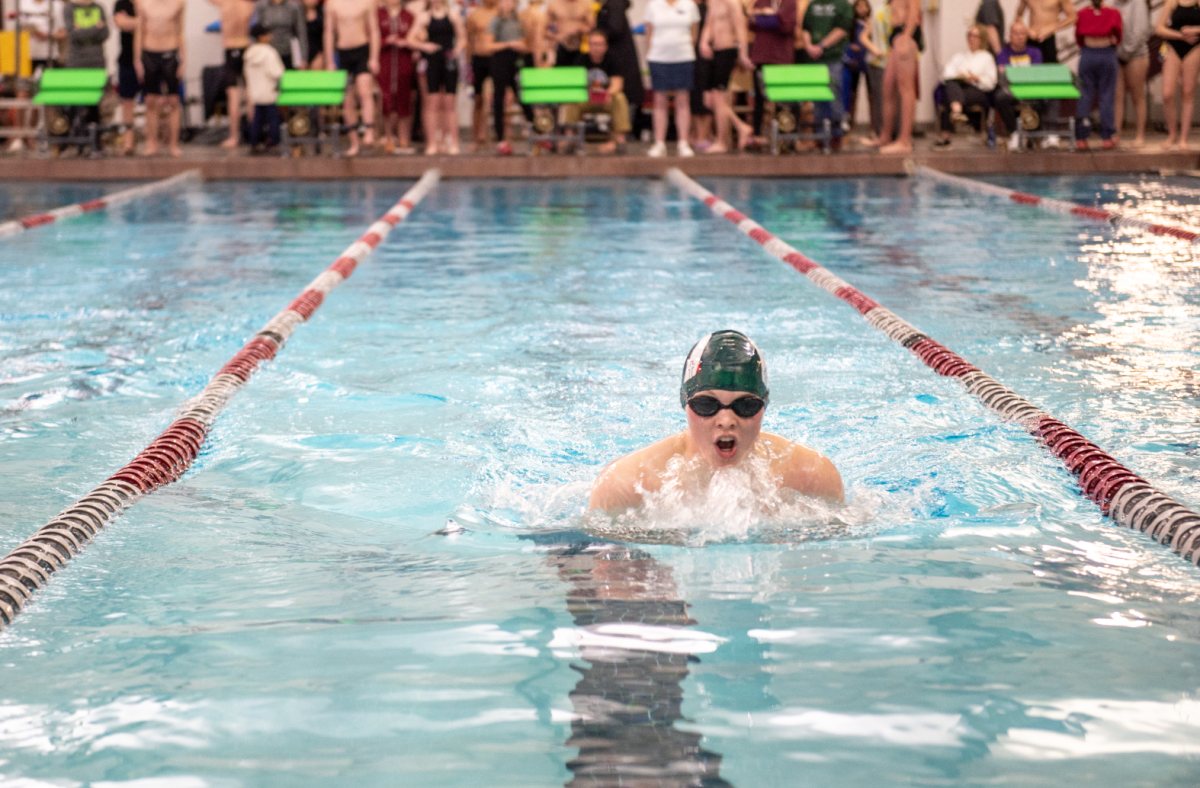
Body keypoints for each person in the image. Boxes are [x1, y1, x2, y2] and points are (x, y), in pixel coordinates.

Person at [589, 331, 844, 513]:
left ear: (764, 405)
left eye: (745, 406)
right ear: (685, 403)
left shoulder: (813, 477)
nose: (726, 421)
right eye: (707, 405)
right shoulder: (626, 485)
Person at [645, 0, 701, 157]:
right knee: (659, 102)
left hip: (683, 58)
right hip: (658, 59)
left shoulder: (690, 5)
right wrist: (653, 53)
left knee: (682, 101)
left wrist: (683, 49)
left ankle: (683, 143)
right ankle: (659, 143)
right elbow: (649, 32)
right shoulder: (653, 5)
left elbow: (694, 33)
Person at [9, 0, 65, 152]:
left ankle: (33, 136)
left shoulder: (56, 6)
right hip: (26, 55)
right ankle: (19, 137)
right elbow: (15, 27)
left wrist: (47, 36)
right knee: (21, 95)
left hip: (48, 55)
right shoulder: (22, 4)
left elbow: (64, 32)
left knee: (40, 97)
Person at [325, 0, 379, 156]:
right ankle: (354, 142)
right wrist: (329, 61)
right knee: (347, 100)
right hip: (343, 52)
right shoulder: (332, 4)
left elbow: (374, 30)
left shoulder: (367, 3)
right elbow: (329, 32)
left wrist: (374, 57)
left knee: (364, 91)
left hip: (362, 49)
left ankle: (369, 131)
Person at [411, 0, 465, 154]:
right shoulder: (424, 17)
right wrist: (424, 46)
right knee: (432, 103)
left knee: (449, 103)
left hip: (448, 60)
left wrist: (457, 49)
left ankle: (453, 142)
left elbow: (463, 37)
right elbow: (411, 38)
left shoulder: (452, 14)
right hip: (433, 61)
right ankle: (432, 142)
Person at [563, 29, 630, 152]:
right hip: (586, 99)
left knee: (620, 98)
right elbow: (576, 86)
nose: (596, 48)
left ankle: (618, 140)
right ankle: (571, 139)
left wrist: (607, 93)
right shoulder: (580, 60)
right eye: (593, 44)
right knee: (572, 101)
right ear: (588, 46)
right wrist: (587, 94)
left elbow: (617, 84)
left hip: (605, 98)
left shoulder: (613, 59)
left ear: (605, 46)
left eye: (599, 44)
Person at [863, 0, 918, 153]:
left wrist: (907, 36)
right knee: (887, 86)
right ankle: (885, 136)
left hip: (906, 32)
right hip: (895, 32)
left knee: (905, 87)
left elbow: (914, 9)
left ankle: (905, 141)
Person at [698, 0, 752, 152]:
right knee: (710, 100)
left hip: (727, 51)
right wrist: (703, 41)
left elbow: (741, 27)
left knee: (719, 98)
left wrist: (743, 54)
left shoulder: (732, 2)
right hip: (713, 52)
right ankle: (741, 126)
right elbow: (709, 23)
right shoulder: (713, 2)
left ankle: (722, 141)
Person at [135, 0, 186, 157]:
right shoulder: (142, 2)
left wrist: (184, 60)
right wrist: (137, 59)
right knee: (150, 101)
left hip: (170, 53)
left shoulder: (178, 3)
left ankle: (173, 144)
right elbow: (139, 31)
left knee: (173, 101)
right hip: (150, 53)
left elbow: (180, 31)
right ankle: (152, 144)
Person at [801, 0, 855, 148]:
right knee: (817, 99)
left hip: (833, 58)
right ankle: (819, 136)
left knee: (834, 96)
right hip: (813, 57)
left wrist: (821, 46)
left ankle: (836, 135)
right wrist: (808, 46)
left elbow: (842, 29)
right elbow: (805, 28)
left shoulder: (843, 5)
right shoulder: (812, 5)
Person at [934, 23, 996, 148]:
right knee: (950, 85)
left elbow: (991, 82)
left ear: (982, 39)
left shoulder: (987, 58)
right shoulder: (959, 57)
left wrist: (975, 78)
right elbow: (945, 75)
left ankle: (946, 136)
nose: (971, 38)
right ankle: (956, 111)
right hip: (958, 87)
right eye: (970, 35)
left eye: (975, 36)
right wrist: (959, 76)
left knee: (950, 94)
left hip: (977, 90)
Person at [1074, 0, 1122, 149]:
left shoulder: (1082, 13)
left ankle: (1081, 138)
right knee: (1106, 95)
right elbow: (1118, 35)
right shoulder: (1113, 13)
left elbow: (1078, 36)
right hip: (1106, 52)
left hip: (1088, 53)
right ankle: (1107, 137)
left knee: (1085, 95)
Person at [207, 0, 255, 148]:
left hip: (230, 48)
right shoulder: (249, 5)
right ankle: (253, 135)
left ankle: (234, 137)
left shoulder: (224, 3)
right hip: (246, 47)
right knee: (250, 95)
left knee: (233, 96)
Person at [747, 0, 797, 140]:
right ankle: (757, 135)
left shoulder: (789, 3)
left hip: (781, 57)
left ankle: (782, 135)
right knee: (759, 98)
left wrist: (769, 16)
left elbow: (787, 26)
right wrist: (770, 17)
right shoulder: (760, 2)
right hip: (761, 55)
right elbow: (751, 23)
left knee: (783, 100)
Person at [1155, 0, 1200, 149]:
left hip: (1194, 47)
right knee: (1167, 93)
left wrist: (1194, 29)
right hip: (1174, 45)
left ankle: (1183, 138)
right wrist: (1180, 35)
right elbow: (1159, 29)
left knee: (1187, 91)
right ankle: (1172, 134)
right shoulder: (1172, 2)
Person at [482, 0, 526, 154]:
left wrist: (520, 45)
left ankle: (537, 130)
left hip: (515, 61)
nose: (507, 4)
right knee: (499, 100)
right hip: (499, 61)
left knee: (523, 96)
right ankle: (500, 140)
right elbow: (487, 46)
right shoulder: (496, 21)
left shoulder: (517, 20)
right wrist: (509, 44)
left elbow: (522, 41)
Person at [595, 0, 645, 129]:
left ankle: (625, 128)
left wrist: (595, 30)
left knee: (624, 94)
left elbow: (614, 28)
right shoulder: (609, 6)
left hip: (622, 59)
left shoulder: (615, 4)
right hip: (619, 57)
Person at [993, 20, 1043, 150]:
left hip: (1032, 90)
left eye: (1022, 33)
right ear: (1010, 36)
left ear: (1027, 36)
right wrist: (1024, 75)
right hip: (1011, 91)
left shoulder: (1035, 52)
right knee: (1000, 98)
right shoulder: (1003, 54)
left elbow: (1036, 76)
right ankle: (1016, 132)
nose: (1019, 36)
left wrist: (1014, 74)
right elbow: (1003, 79)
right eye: (1016, 33)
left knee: (1043, 99)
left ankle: (1034, 134)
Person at [378, 0, 417, 153]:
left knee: (404, 101)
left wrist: (407, 43)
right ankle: (388, 137)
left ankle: (403, 138)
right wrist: (385, 41)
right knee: (387, 100)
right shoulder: (378, 15)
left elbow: (416, 38)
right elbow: (371, 39)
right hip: (385, 61)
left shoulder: (409, 16)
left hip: (403, 62)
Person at [1112, 0, 1150, 147]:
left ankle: (1140, 135)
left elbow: (1140, 31)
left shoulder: (1138, 3)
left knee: (1137, 95)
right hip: (1115, 53)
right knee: (1117, 96)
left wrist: (1126, 52)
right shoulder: (1112, 3)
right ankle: (1115, 134)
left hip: (1136, 54)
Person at [244, 21, 284, 148]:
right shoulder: (269, 53)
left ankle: (254, 141)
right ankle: (274, 140)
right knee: (273, 117)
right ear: (261, 36)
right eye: (268, 33)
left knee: (257, 118)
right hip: (269, 92)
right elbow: (277, 72)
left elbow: (246, 73)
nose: (270, 35)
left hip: (255, 92)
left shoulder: (249, 53)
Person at [466, 0, 498, 151]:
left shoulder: (501, 13)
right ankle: (476, 138)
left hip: (497, 58)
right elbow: (468, 39)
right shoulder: (475, 15)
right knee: (478, 100)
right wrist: (468, 62)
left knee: (500, 99)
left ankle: (502, 138)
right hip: (479, 58)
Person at [113, 0, 140, 154]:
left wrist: (132, 22)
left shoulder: (148, 4)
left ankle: (155, 142)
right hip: (127, 60)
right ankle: (128, 143)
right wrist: (142, 22)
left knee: (154, 100)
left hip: (148, 57)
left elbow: (155, 24)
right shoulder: (121, 4)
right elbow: (122, 23)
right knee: (127, 101)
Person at [859, 0, 889, 138]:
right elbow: (863, 36)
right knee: (879, 99)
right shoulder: (879, 12)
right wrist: (875, 49)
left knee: (895, 98)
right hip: (878, 63)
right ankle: (881, 132)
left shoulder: (903, 13)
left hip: (896, 63)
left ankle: (895, 132)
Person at [842, 0, 871, 130]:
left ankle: (874, 125)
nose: (861, 9)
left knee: (872, 94)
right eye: (858, 6)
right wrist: (850, 46)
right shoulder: (850, 24)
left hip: (869, 62)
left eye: (864, 6)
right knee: (852, 93)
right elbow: (844, 40)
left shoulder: (872, 22)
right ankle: (850, 122)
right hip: (854, 62)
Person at [254, 0, 308, 69]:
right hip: (267, 53)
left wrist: (303, 58)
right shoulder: (261, 5)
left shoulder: (294, 6)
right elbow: (255, 32)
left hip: (289, 52)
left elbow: (301, 33)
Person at [546, 0, 594, 66]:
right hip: (560, 46)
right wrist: (556, 36)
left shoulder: (586, 4)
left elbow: (592, 26)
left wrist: (579, 28)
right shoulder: (554, 4)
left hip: (580, 46)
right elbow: (546, 27)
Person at [303, 0, 325, 69]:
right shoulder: (297, 14)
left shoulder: (322, 14)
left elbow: (326, 36)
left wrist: (322, 55)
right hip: (302, 54)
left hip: (319, 54)